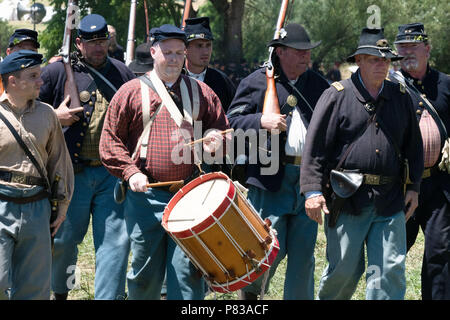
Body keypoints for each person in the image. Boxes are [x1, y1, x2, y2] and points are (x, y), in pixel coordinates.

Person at [99, 24, 230, 300]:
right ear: (154, 51)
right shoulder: (130, 92)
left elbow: (220, 128)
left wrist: (216, 140)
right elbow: (110, 142)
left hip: (190, 197)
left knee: (188, 275)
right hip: (145, 197)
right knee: (145, 273)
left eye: (179, 53)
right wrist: (130, 172)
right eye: (167, 52)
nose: (173, 59)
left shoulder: (202, 92)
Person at [300, 27, 424, 300]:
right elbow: (315, 146)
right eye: (374, 59)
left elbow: (414, 146)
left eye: (386, 60)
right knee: (343, 271)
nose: (382, 65)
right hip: (347, 199)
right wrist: (312, 191)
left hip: (390, 200)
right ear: (359, 60)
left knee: (388, 271)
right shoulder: (336, 95)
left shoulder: (400, 96)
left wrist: (413, 187)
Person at [227, 23, 329, 300]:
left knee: (303, 255)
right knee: (264, 250)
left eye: (307, 52)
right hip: (269, 176)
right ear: (280, 52)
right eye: (299, 51)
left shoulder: (319, 85)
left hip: (308, 178)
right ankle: (249, 298)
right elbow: (230, 122)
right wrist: (260, 120)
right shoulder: (257, 81)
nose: (305, 57)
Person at [39, 14, 135, 300]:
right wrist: (55, 117)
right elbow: (27, 111)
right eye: (91, 42)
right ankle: (61, 293)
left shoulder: (123, 74)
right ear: (78, 43)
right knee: (66, 241)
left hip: (111, 174)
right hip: (72, 173)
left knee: (115, 243)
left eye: (102, 41)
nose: (98, 47)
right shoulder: (55, 73)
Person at [0, 50, 74, 300]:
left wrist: (62, 205)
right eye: (33, 76)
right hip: (1, 202)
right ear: (13, 81)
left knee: (34, 289)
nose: (40, 81)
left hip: (37, 206)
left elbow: (59, 163)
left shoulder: (47, 114)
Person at [392, 22, 450, 300]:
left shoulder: (446, 84)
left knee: (440, 251)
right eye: (401, 47)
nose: (406, 52)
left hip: (438, 185)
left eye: (412, 46)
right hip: (399, 185)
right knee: (392, 253)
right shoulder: (389, 85)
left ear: (427, 48)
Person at [183, 17, 236, 113]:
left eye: (208, 45)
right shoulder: (175, 79)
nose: (205, 52)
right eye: (199, 46)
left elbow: (233, 114)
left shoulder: (222, 81)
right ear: (185, 49)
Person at [1, 29, 40, 95]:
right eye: (22, 50)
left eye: (31, 51)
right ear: (9, 52)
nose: (27, 54)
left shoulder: (41, 79)